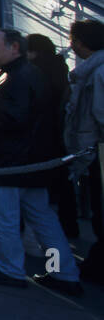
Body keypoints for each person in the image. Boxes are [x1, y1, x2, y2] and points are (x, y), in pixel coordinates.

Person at [0, 28, 82, 294]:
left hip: (8, 164)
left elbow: (11, 120)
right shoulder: (27, 74)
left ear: (14, 47)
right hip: (30, 164)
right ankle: (63, 273)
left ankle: (9, 270)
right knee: (43, 220)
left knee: (2, 218)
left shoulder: (16, 78)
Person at [64, 19, 104, 284]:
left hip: (96, 149)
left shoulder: (98, 72)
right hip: (93, 148)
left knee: (101, 211)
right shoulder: (93, 70)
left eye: (73, 40)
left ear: (80, 42)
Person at [28, 33, 77, 236]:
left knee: (42, 190)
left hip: (42, 135)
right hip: (59, 133)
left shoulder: (37, 71)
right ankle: (69, 225)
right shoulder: (59, 67)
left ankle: (51, 249)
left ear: (34, 51)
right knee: (63, 183)